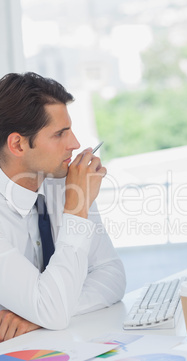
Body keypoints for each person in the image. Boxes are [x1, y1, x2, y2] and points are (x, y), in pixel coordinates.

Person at [0, 72, 126, 342]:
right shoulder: (73, 192)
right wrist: (75, 211)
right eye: (60, 134)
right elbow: (53, 311)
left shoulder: (62, 182)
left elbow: (112, 276)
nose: (76, 144)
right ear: (17, 144)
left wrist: (39, 313)